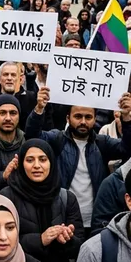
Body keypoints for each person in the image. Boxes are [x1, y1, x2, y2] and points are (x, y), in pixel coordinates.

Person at [26, 87, 131, 232]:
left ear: (95, 119)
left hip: (94, 221)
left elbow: (126, 149)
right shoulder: (57, 140)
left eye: (88, 117)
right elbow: (32, 138)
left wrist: (127, 119)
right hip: (63, 220)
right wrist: (39, 109)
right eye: (78, 116)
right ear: (68, 118)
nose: (83, 122)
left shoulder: (102, 143)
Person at [0, 139, 85, 262]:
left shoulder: (67, 198)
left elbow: (80, 247)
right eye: (30, 160)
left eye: (43, 159)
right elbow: (2, 242)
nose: (37, 165)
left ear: (51, 162)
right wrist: (40, 240)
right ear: (21, 164)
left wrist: (67, 239)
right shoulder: (6, 197)